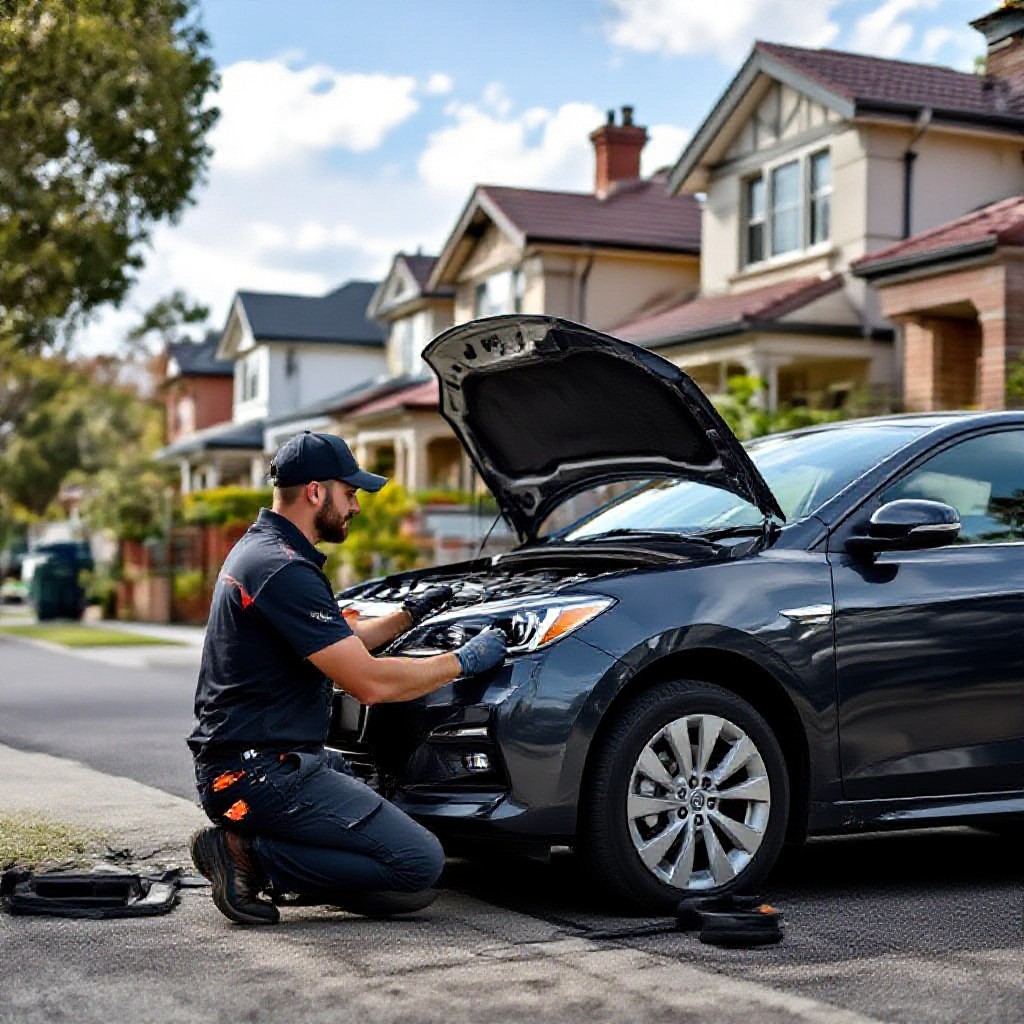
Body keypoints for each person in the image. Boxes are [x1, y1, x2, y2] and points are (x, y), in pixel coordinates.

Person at [186, 430, 507, 925]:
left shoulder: (263, 552)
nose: (355, 506)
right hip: (260, 774)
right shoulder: (282, 569)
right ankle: (245, 853)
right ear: (316, 492)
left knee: (395, 863)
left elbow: (338, 643)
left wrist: (408, 615)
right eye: (350, 492)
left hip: (254, 764)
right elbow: (368, 683)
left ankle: (260, 848)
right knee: (418, 865)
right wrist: (463, 661)